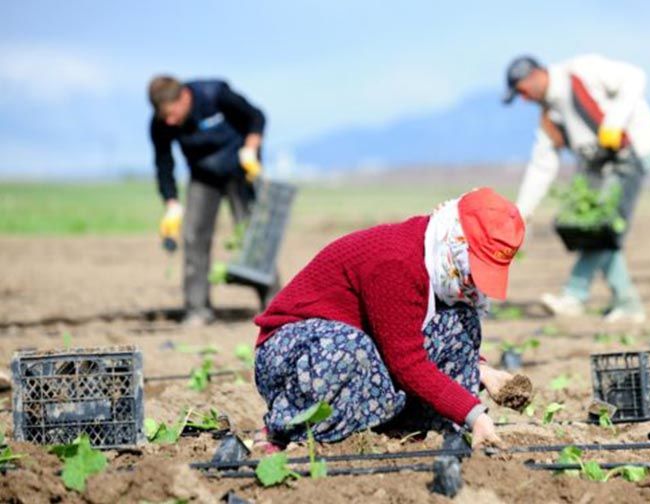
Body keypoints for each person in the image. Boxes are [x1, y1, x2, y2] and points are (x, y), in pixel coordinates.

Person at [253, 187, 524, 448]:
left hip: (364, 349)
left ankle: (407, 427)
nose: (473, 279)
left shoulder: (438, 261)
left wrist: (482, 371)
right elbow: (407, 362)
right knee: (349, 347)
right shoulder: (397, 262)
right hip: (292, 355)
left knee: (460, 321)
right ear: (457, 241)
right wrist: (474, 414)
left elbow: (427, 330)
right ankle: (285, 428)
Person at [503, 54, 650, 324]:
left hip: (633, 151)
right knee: (594, 227)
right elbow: (542, 166)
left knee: (601, 227)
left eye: (522, 91)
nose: (524, 99)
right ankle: (620, 303)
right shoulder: (550, 116)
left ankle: (580, 298)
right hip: (600, 164)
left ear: (534, 76)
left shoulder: (581, 70)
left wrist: (614, 122)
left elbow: (636, 76)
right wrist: (522, 212)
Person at [148, 75, 279, 325]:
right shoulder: (160, 123)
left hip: (240, 168)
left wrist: (251, 148)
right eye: (164, 117)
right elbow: (164, 163)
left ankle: (273, 304)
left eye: (173, 114)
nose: (170, 121)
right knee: (193, 236)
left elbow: (256, 117)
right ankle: (197, 309)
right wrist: (171, 203)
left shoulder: (215, 95)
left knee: (254, 236)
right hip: (203, 175)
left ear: (185, 97)